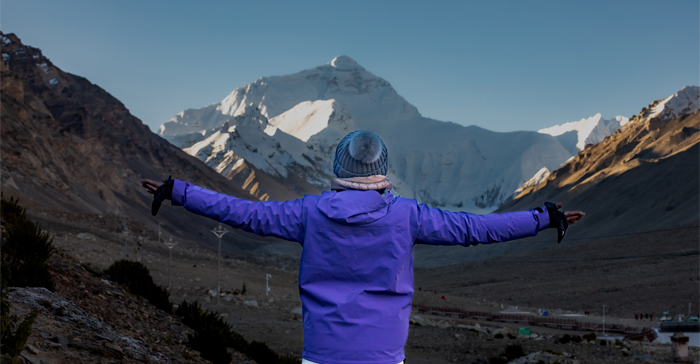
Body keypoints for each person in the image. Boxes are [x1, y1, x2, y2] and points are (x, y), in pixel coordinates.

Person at [141, 130, 585, 364]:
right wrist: (542, 219)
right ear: (382, 168)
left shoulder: (309, 213)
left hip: (323, 351)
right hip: (384, 354)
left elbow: (245, 214)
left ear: (340, 166)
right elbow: (475, 229)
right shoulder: (407, 215)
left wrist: (179, 191)